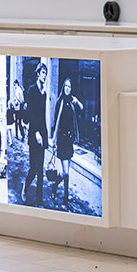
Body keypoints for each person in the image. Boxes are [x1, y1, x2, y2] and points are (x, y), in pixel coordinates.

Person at [50, 77, 84, 207]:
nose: (68, 89)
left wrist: (77, 100)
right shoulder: (60, 102)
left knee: (64, 172)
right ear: (63, 87)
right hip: (62, 139)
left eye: (70, 87)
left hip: (69, 140)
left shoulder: (71, 101)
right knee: (67, 172)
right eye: (66, 86)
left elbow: (82, 107)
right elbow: (56, 121)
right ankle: (65, 199)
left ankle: (54, 187)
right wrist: (54, 140)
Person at [22, 62, 48, 207]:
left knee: (41, 169)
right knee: (33, 167)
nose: (44, 75)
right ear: (37, 73)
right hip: (34, 134)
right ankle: (25, 187)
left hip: (42, 133)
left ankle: (39, 201)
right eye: (42, 72)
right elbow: (31, 113)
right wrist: (36, 133)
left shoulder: (44, 93)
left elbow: (43, 116)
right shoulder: (32, 90)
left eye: (45, 73)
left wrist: (45, 136)